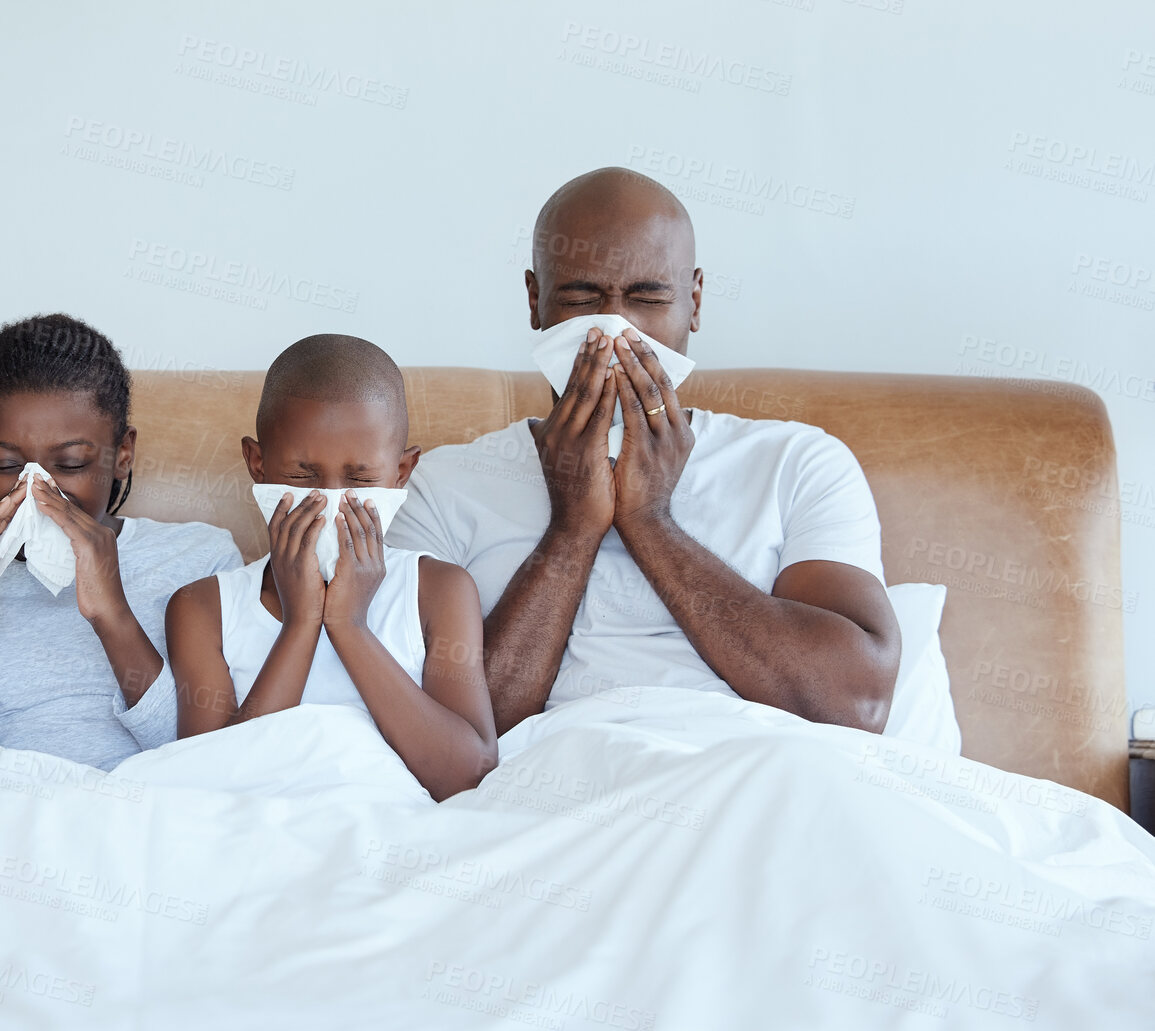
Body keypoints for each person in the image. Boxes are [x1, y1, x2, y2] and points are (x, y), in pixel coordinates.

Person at [387, 167, 900, 735]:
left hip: (757, 776)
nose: (615, 331)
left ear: (695, 302)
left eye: (648, 298)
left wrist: (650, 522)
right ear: (535, 301)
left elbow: (857, 706)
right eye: (582, 298)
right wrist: (573, 530)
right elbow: (437, 738)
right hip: (546, 788)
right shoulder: (443, 485)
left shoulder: (796, 463)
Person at [0, 314, 241, 769]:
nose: (38, 490)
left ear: (122, 455)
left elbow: (212, 758)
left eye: (72, 463)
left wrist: (112, 615)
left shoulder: (201, 560)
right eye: (5, 464)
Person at [168, 335, 497, 801]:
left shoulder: (439, 591)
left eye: (361, 478)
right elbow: (207, 787)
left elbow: (466, 775)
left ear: (402, 473)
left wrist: (349, 625)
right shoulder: (202, 608)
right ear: (257, 463)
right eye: (303, 476)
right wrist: (301, 623)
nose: (330, 501)